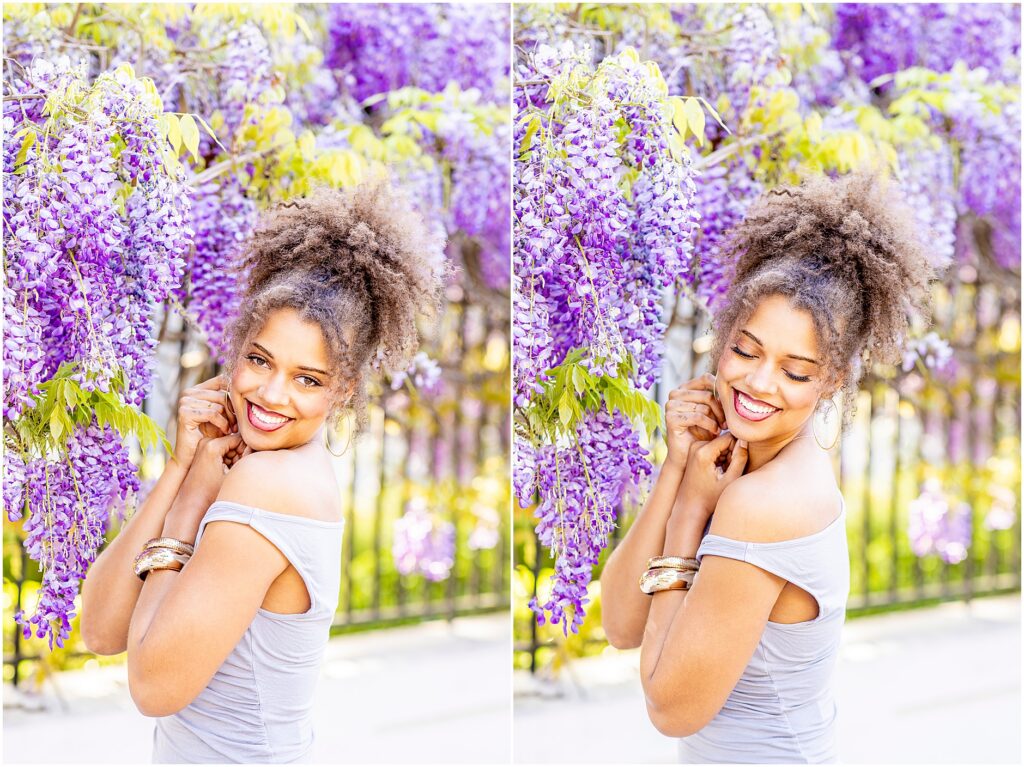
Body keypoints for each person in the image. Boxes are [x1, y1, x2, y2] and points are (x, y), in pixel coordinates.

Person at [80, 179, 444, 763]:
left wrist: (191, 500)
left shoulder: (271, 484)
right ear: (236, 347)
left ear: (344, 390)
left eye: (308, 379)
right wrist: (179, 469)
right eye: (259, 359)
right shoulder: (250, 464)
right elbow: (99, 632)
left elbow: (152, 687)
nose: (272, 394)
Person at [600, 171, 934, 763]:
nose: (757, 383)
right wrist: (677, 468)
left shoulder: (767, 502)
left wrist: (694, 509)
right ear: (722, 336)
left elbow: (670, 708)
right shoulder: (734, 464)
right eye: (746, 350)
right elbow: (622, 623)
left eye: (795, 371)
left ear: (831, 381)